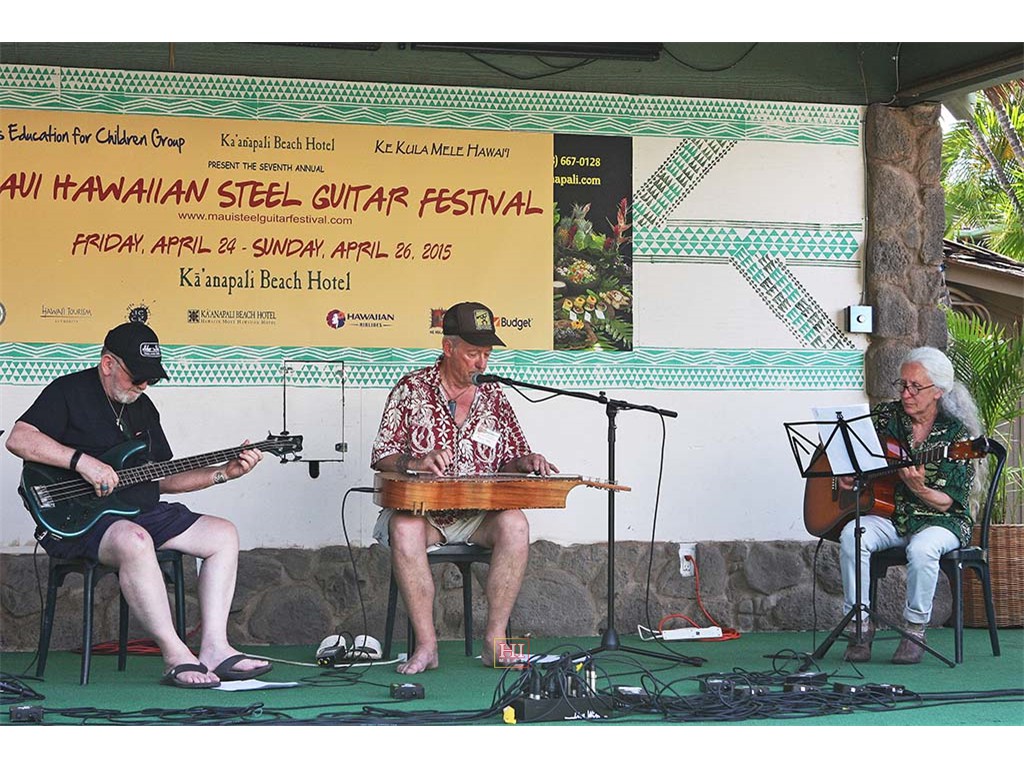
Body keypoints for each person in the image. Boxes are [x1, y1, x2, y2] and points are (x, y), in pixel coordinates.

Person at [6, 322, 272, 688]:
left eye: (151, 379)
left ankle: (215, 648)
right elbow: (19, 439)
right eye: (137, 377)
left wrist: (224, 473)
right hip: (78, 519)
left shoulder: (142, 408)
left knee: (222, 534)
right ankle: (176, 654)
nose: (144, 385)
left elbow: (162, 477)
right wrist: (82, 462)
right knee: (134, 540)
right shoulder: (68, 391)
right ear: (108, 364)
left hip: (139, 511)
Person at [371, 301, 557, 674]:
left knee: (515, 524)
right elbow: (382, 456)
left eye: (487, 354)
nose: (482, 364)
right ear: (448, 348)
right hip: (424, 515)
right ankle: (427, 646)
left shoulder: (494, 396)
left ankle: (495, 643)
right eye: (473, 353)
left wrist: (525, 462)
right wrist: (415, 462)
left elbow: (510, 457)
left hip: (478, 515)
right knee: (403, 528)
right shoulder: (412, 389)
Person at [839, 346, 982, 664]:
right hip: (892, 512)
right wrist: (848, 473)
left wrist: (919, 488)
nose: (906, 393)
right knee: (853, 535)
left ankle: (914, 630)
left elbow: (950, 503)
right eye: (902, 384)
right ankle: (859, 626)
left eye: (916, 387)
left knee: (922, 549)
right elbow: (851, 448)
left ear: (938, 391)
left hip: (941, 520)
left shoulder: (956, 436)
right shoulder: (886, 417)